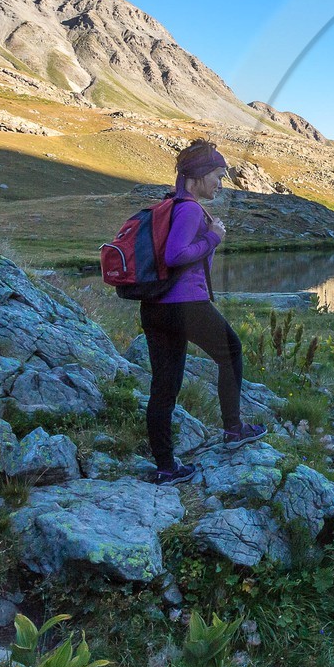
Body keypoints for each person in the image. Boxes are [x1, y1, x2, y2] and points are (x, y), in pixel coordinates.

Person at [140, 139, 265, 485]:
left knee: (163, 387)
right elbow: (176, 255)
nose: (220, 184)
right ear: (197, 176)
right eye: (218, 176)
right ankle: (233, 429)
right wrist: (213, 238)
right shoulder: (191, 209)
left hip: (155, 308)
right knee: (232, 351)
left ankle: (166, 467)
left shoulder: (172, 205)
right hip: (185, 306)